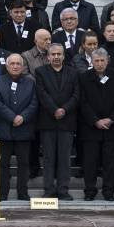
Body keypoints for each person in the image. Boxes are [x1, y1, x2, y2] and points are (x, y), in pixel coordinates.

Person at [78, 49, 114, 201]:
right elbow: (82, 102)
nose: (99, 64)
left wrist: (111, 119)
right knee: (90, 162)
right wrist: (95, 121)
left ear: (108, 60)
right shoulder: (83, 78)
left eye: (102, 60)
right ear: (91, 61)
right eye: (96, 61)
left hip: (111, 128)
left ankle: (108, 191)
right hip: (90, 127)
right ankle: (90, 191)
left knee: (110, 162)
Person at [0, 53, 38, 201]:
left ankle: (22, 192)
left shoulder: (31, 83)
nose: (15, 66)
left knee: (24, 163)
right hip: (5, 129)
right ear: (7, 65)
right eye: (12, 63)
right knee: (3, 164)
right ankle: (3, 193)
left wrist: (22, 117)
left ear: (23, 66)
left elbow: (34, 103)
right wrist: (13, 117)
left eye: (18, 63)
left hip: (24, 129)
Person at [35, 44, 78, 199]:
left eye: (59, 54)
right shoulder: (40, 72)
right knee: (48, 158)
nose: (56, 57)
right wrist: (54, 110)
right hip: (48, 121)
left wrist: (64, 109)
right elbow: (41, 93)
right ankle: (49, 190)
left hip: (67, 121)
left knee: (65, 158)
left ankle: (63, 190)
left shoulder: (73, 73)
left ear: (64, 56)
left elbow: (76, 95)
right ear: (48, 56)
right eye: (53, 54)